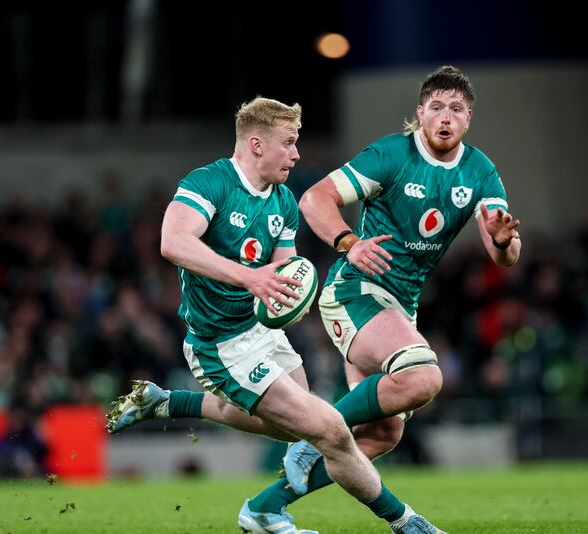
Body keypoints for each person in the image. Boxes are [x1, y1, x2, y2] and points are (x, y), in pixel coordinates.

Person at [106, 97, 445, 534]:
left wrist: (291, 293)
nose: (297, 154)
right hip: (219, 344)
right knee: (332, 431)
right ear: (256, 144)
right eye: (288, 143)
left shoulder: (283, 200)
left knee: (291, 430)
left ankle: (170, 401)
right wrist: (251, 279)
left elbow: (286, 273)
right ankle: (403, 522)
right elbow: (172, 242)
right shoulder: (210, 183)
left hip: (260, 332)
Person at [251, 65, 523, 511]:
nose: (445, 116)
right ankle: (315, 434)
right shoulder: (393, 155)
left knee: (382, 434)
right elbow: (314, 199)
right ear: (421, 112)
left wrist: (503, 240)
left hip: (399, 308)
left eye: (456, 108)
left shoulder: (479, 170)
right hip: (354, 293)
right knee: (424, 375)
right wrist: (348, 242)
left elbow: (504, 254)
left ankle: (264, 507)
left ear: (468, 118)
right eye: (436, 107)